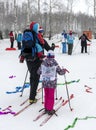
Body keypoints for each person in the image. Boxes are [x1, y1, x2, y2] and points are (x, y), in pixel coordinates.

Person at [19, 22, 55, 104]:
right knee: (36, 78)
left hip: (27, 59)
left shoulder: (27, 36)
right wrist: (53, 47)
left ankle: (32, 93)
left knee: (32, 76)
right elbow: (49, 50)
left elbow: (23, 47)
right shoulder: (39, 38)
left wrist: (22, 57)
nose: (40, 32)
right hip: (37, 59)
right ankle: (32, 97)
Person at [37, 50, 69, 115]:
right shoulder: (54, 62)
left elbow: (38, 72)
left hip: (45, 82)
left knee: (46, 95)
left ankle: (46, 108)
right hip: (52, 82)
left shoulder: (43, 62)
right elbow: (60, 72)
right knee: (51, 96)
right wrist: (64, 71)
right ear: (53, 56)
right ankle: (50, 109)